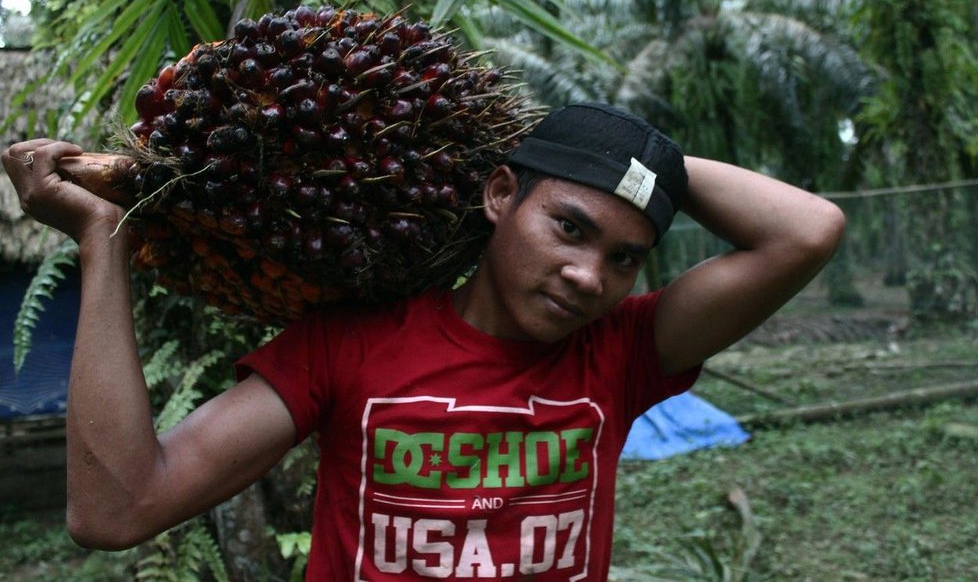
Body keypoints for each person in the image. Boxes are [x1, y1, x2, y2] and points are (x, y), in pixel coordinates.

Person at [1, 102, 844, 580]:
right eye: (569, 227)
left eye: (624, 258)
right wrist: (103, 243)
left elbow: (807, 231)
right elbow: (116, 510)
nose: (591, 276)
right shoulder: (349, 347)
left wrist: (637, 160)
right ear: (499, 193)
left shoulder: (620, 354)